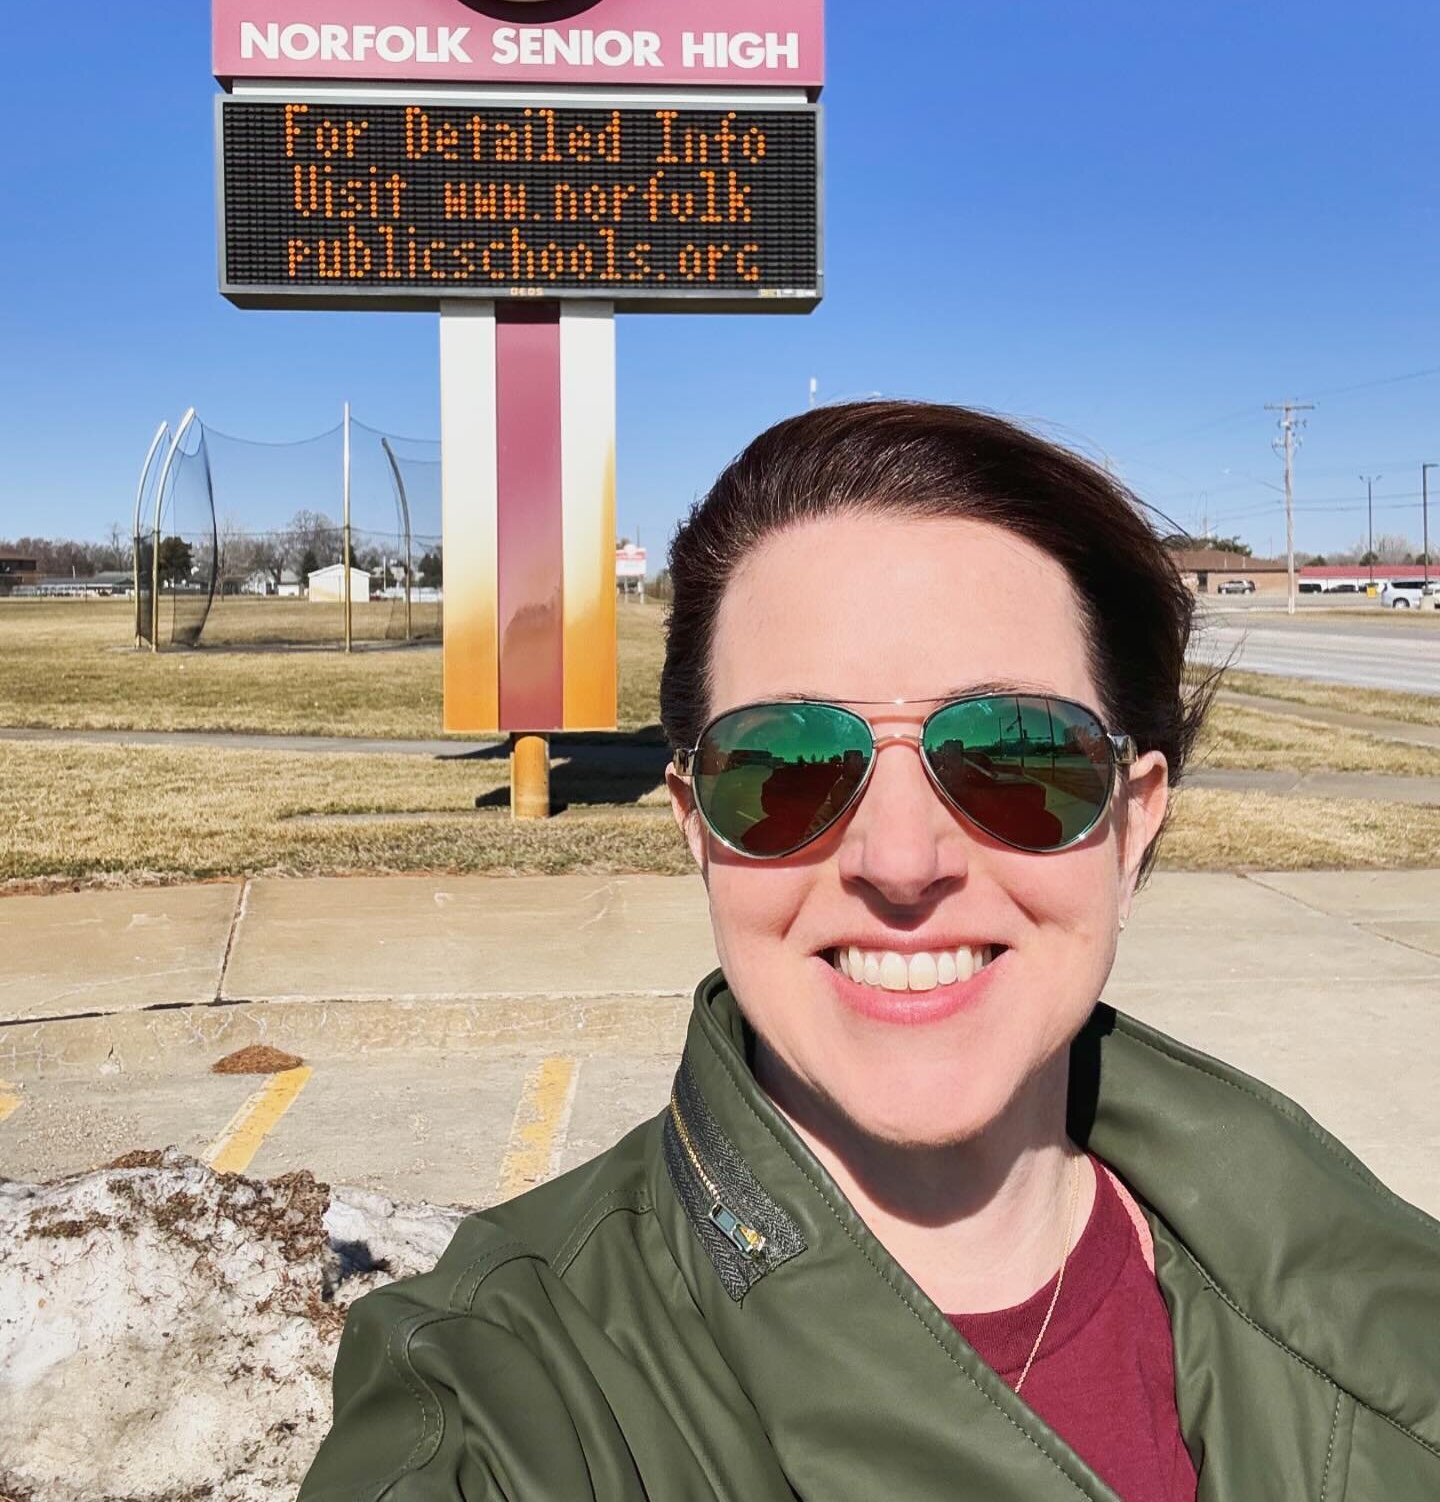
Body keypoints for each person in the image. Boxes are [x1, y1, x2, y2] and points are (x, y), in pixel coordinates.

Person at [298, 401, 1439, 1501]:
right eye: (787, 766)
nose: (901, 860)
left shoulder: (1386, 1314)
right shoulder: (505, 1392)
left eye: (1013, 754)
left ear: (1133, 819)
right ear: (698, 826)